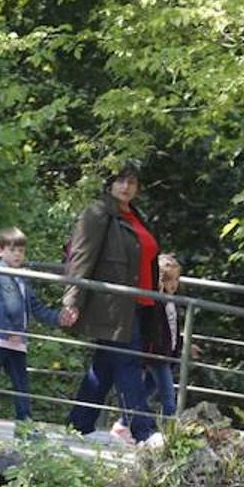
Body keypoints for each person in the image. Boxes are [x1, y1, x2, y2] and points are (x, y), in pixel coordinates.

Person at [61, 160, 163, 447]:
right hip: (111, 305)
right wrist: (72, 300)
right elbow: (80, 258)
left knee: (104, 364)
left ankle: (78, 423)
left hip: (140, 303)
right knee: (128, 363)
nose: (126, 186)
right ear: (109, 183)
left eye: (131, 181)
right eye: (120, 180)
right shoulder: (98, 212)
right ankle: (144, 430)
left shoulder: (136, 216)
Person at [0, 227, 60, 425]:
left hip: (18, 341)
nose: (18, 254)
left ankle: (25, 423)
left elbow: (35, 307)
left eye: (21, 251)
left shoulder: (22, 278)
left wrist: (57, 318)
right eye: (13, 250)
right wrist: (7, 331)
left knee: (21, 382)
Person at [112, 253, 183, 442]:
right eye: (168, 280)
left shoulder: (171, 301)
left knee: (145, 391)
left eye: (176, 279)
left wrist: (183, 345)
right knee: (169, 395)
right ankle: (170, 435)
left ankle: (123, 423)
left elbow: (173, 329)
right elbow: (152, 328)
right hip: (156, 355)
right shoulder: (155, 302)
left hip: (166, 354)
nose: (173, 284)